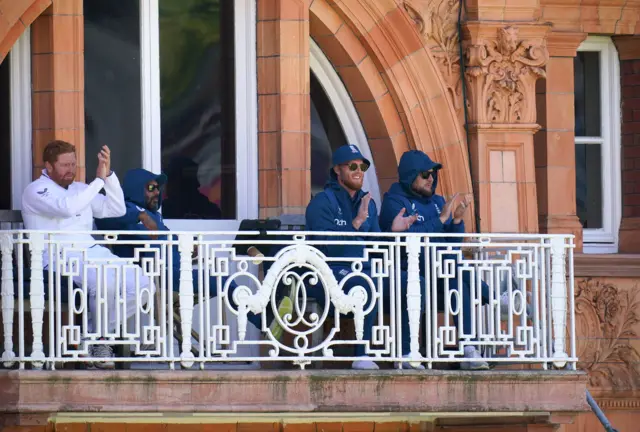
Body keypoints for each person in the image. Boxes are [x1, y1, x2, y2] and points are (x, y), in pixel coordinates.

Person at [95, 168, 293, 340]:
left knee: (223, 279)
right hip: (158, 277)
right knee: (223, 281)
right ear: (137, 188)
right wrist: (141, 216)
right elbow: (106, 223)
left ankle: (265, 316)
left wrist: (187, 249)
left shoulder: (155, 216)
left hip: (175, 271)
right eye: (151, 188)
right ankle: (264, 320)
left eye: (158, 188)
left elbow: (166, 245)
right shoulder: (124, 211)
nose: (157, 192)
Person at [22, 140, 153, 369]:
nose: (70, 170)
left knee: (143, 285)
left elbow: (116, 209)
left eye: (73, 164)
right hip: (57, 256)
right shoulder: (36, 190)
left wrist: (109, 175)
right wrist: (97, 182)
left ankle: (91, 336)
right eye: (64, 165)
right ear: (49, 166)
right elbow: (67, 208)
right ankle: (98, 341)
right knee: (106, 282)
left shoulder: (81, 189)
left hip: (92, 252)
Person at [379, 150, 507, 370]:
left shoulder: (437, 201)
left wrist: (456, 220)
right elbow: (410, 239)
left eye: (433, 174)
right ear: (411, 176)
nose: (431, 179)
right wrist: (441, 219)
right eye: (425, 174)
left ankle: (469, 349)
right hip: (407, 273)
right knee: (455, 272)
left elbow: (452, 243)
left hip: (439, 273)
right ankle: (494, 299)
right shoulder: (394, 202)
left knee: (456, 279)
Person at [305, 144, 426, 370]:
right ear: (337, 171)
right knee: (365, 282)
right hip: (330, 273)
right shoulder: (322, 202)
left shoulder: (367, 202)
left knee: (414, 283)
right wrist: (356, 224)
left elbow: (376, 245)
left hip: (367, 269)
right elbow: (326, 246)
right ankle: (362, 354)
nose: (359, 170)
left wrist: (393, 231)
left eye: (363, 166)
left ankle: (408, 352)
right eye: (352, 166)